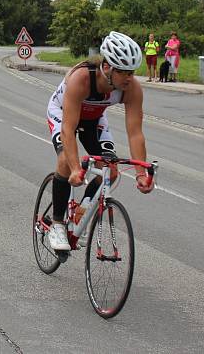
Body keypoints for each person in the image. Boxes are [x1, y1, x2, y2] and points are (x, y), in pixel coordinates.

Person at [46, 31, 154, 251]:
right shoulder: (81, 78)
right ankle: (56, 225)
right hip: (63, 113)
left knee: (111, 170)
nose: (129, 77)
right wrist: (76, 169)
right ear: (107, 68)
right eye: (123, 71)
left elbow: (135, 133)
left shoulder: (131, 88)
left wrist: (141, 173)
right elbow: (68, 128)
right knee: (66, 162)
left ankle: (82, 211)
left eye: (132, 72)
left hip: (95, 118)